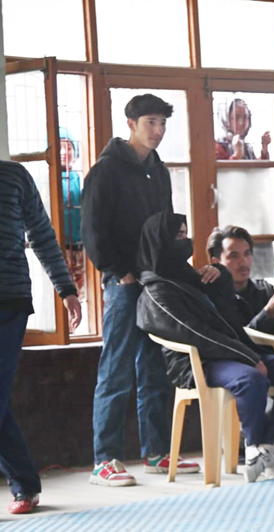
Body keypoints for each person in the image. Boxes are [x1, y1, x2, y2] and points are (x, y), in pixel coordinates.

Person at [136, 212, 274, 482]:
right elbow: (196, 334)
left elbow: (228, 317)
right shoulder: (155, 292)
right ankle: (253, 448)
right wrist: (248, 356)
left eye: (186, 233)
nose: (186, 240)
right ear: (160, 241)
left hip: (235, 353)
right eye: (179, 236)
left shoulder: (193, 278)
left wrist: (219, 277)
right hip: (199, 363)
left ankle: (266, 448)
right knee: (251, 379)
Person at [81, 93, 200, 486]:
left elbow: (164, 228)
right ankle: (105, 459)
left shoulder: (159, 171)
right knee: (116, 369)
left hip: (156, 280)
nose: (158, 131)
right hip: (124, 282)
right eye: (151, 122)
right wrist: (120, 272)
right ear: (130, 123)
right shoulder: (106, 170)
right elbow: (92, 232)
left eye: (163, 123)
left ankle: (156, 453)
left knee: (153, 367)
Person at [0, 161, 82, 514]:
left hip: (9, 301)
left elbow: (42, 234)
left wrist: (66, 288)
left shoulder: (15, 177)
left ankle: (25, 484)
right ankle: (26, 483)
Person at [207, 225, 274, 337]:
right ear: (216, 262)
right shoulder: (213, 299)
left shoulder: (265, 290)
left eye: (247, 253)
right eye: (234, 256)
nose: (243, 262)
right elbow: (236, 342)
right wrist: (267, 314)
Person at [60, 126, 85, 299]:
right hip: (58, 247)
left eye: (68, 148)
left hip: (79, 246)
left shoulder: (79, 178)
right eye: (60, 147)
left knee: (80, 292)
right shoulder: (45, 179)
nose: (64, 152)